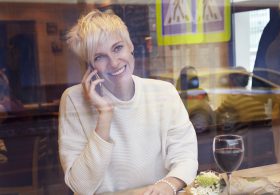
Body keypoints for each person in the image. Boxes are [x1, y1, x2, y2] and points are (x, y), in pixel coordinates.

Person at [58, 9, 198, 194]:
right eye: (100, 57)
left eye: (117, 48)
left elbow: (185, 157)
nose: (114, 63)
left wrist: (168, 185)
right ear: (90, 65)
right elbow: (81, 186)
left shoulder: (164, 92)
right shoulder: (73, 99)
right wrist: (105, 115)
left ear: (130, 45)